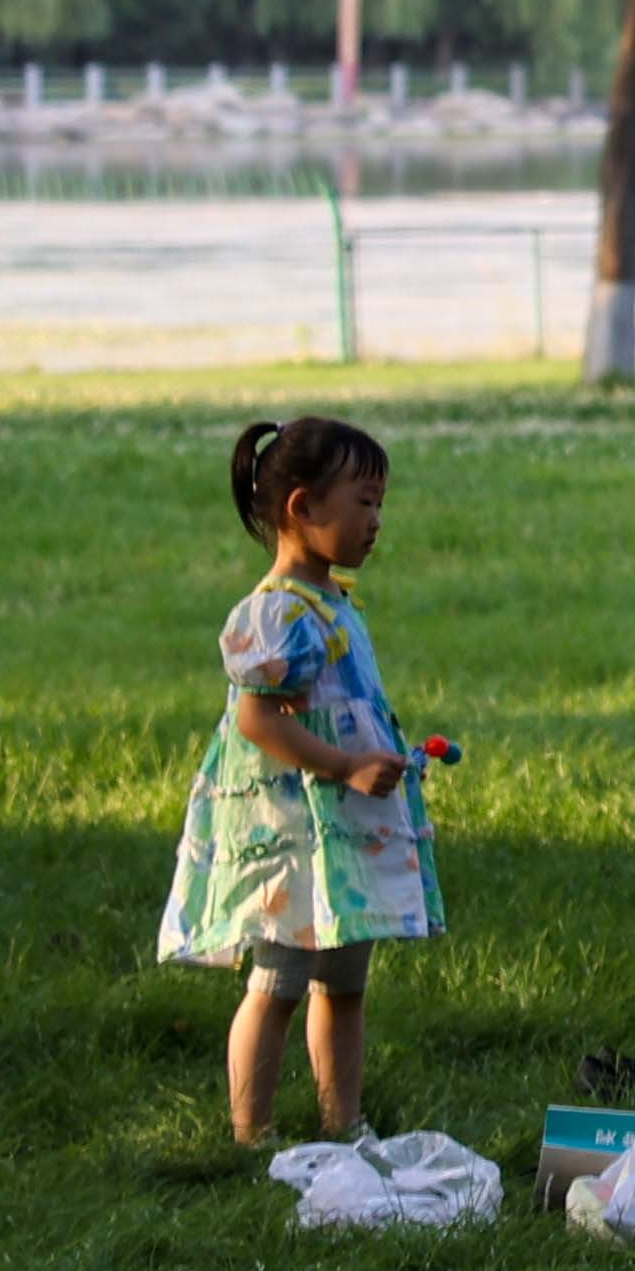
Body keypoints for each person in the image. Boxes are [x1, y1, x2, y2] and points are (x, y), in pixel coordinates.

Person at [159, 417, 436, 1142]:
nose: (376, 521)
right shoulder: (276, 613)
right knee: (278, 981)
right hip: (290, 835)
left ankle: (344, 1125)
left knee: (344, 983)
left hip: (341, 828)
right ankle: (250, 1135)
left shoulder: (333, 600)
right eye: (363, 502)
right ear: (303, 506)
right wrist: (347, 764)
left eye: (380, 504)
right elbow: (257, 722)